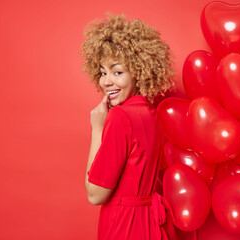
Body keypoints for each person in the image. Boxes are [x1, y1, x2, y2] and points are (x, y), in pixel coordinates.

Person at [80, 14, 176, 240]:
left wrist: (97, 129)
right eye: (103, 72)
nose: (106, 81)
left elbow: (95, 195)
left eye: (117, 72)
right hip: (152, 226)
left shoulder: (121, 117)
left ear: (140, 73)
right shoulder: (153, 114)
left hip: (124, 227)